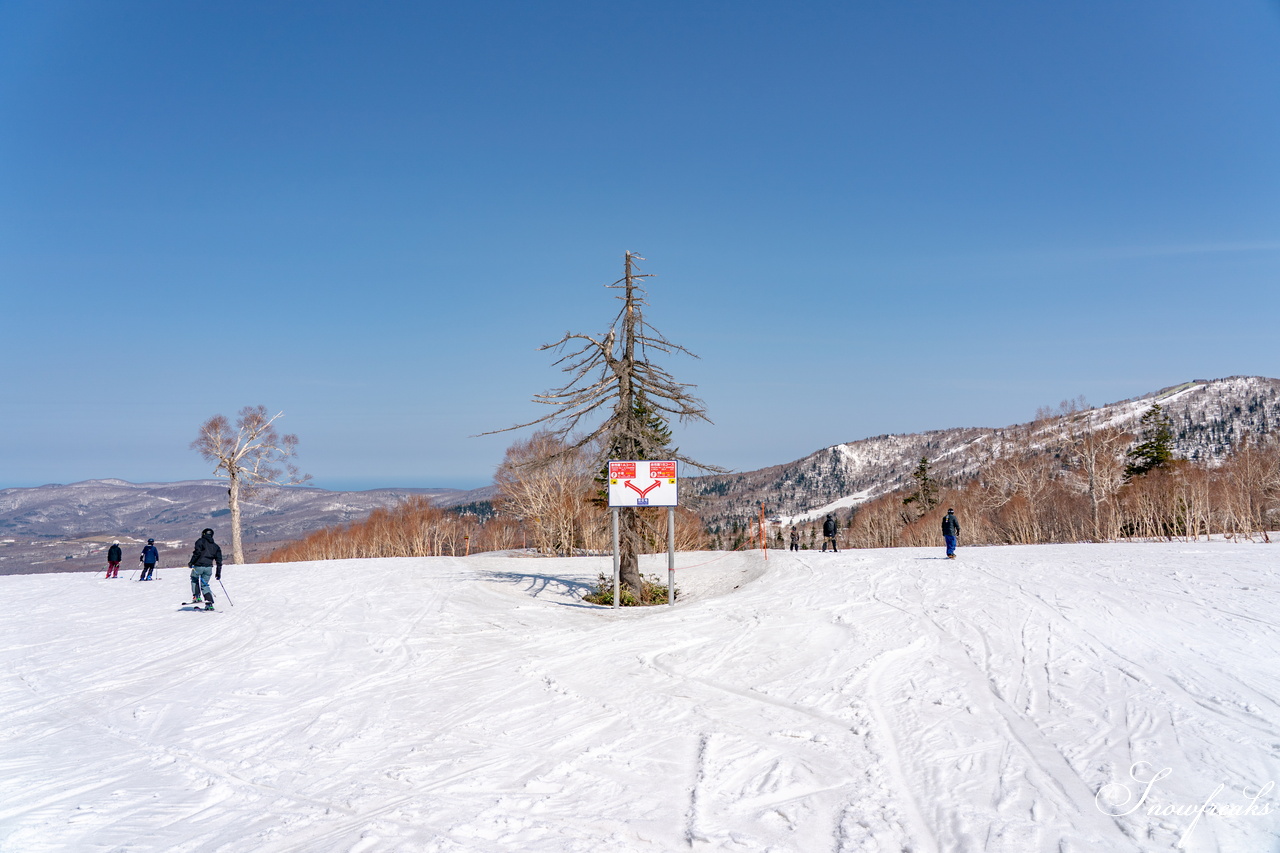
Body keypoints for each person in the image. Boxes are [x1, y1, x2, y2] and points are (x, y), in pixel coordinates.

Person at [188, 528, 223, 610]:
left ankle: (196, 596)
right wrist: (218, 573)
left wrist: (191, 562)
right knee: (205, 584)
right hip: (208, 568)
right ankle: (209, 603)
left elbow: (197, 553)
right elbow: (219, 561)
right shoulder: (216, 546)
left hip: (199, 566)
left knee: (194, 579)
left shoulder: (200, 541)